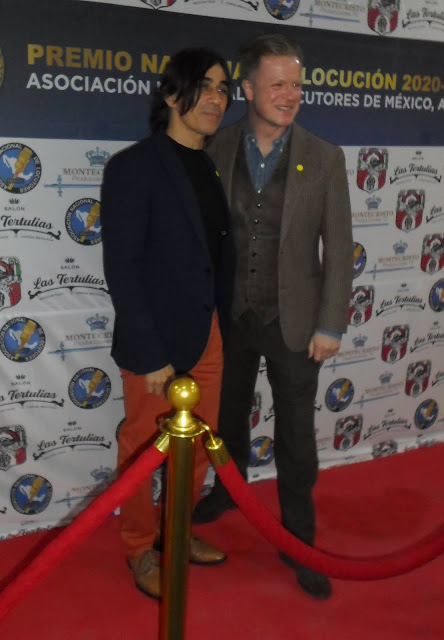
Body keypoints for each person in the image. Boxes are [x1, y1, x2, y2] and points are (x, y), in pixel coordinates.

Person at [192, 33, 353, 599]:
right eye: (278, 84)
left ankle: (299, 541)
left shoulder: (326, 157)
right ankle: (227, 491)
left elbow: (340, 248)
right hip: (230, 314)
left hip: (296, 322)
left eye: (297, 85)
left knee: (296, 439)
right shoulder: (215, 146)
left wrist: (330, 324)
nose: (290, 95)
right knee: (227, 418)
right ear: (247, 89)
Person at [100, 47, 234, 599]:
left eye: (224, 89)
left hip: (207, 336)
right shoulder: (132, 167)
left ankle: (174, 535)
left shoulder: (208, 164)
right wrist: (151, 353)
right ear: (172, 94)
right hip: (156, 344)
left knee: (199, 446)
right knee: (142, 450)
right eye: (205, 86)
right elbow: (123, 267)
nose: (216, 98)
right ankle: (139, 548)